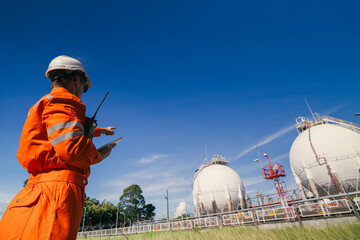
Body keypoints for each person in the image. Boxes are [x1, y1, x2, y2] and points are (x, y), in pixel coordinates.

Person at [0, 55, 116, 239]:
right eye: (84, 88)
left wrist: (100, 131)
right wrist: (99, 155)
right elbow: (72, 148)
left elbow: (68, 129)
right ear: (78, 81)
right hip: (57, 191)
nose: (82, 92)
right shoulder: (63, 102)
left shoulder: (46, 104)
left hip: (38, 189)